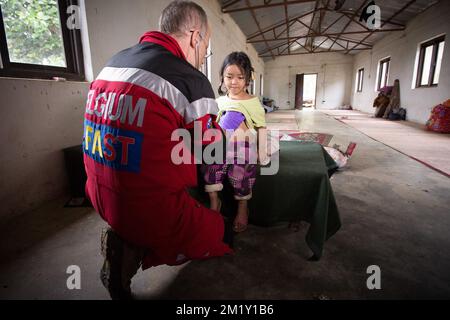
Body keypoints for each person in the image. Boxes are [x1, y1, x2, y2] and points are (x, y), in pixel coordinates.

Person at [83, 0, 233, 300]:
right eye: (206, 47)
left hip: (98, 195)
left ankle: (125, 239)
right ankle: (135, 244)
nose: (204, 54)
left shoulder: (114, 62)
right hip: (146, 206)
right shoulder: (188, 79)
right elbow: (211, 149)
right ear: (195, 37)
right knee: (220, 229)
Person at [202, 52, 267, 233]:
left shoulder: (253, 103)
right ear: (222, 77)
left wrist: (262, 151)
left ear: (247, 79)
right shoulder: (219, 101)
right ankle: (215, 200)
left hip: (243, 147)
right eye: (229, 77)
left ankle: (242, 206)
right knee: (210, 163)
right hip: (221, 145)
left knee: (241, 170)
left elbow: (261, 128)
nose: (234, 82)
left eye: (240, 77)